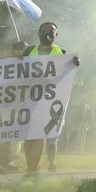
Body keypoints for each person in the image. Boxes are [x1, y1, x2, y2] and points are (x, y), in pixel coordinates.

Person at [20, 22, 79, 174]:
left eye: (50, 31)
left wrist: (74, 63)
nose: (46, 33)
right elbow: (15, 69)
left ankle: (33, 169)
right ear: (38, 34)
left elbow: (67, 73)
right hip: (29, 99)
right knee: (28, 137)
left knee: (39, 134)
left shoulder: (62, 53)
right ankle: (31, 166)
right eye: (43, 30)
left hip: (48, 101)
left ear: (56, 35)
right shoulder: (28, 52)